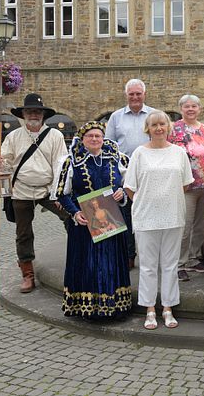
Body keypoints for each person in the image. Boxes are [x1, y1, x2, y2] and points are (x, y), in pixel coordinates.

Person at [0, 93, 69, 293]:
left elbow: (61, 166)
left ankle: (80, 258)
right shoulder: (13, 136)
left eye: (37, 111)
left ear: (43, 115)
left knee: (71, 217)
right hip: (21, 190)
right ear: (23, 114)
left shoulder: (55, 136)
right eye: (29, 111)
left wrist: (58, 194)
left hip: (48, 189)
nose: (33, 114)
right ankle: (27, 274)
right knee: (23, 233)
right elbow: (4, 165)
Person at [54, 121, 132, 320]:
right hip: (85, 223)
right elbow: (62, 193)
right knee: (87, 263)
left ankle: (115, 306)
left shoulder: (117, 158)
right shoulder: (71, 161)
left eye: (98, 136)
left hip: (112, 221)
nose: (95, 139)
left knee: (111, 262)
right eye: (91, 136)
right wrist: (74, 212)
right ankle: (87, 308)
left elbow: (130, 185)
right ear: (83, 139)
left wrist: (121, 194)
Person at [124, 110, 194, 330]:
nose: (158, 128)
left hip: (172, 215)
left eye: (162, 124)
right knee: (147, 266)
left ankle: (168, 307)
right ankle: (149, 308)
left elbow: (185, 184)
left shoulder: (179, 153)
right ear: (148, 128)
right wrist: (147, 202)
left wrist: (166, 199)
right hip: (146, 217)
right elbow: (129, 187)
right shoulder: (139, 154)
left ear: (168, 127)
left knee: (170, 264)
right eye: (154, 125)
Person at [169, 94, 204, 282]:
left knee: (199, 225)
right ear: (181, 109)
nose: (191, 109)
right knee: (185, 226)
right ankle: (179, 263)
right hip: (187, 185)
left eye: (194, 106)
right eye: (187, 106)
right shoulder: (175, 129)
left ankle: (193, 258)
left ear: (199, 109)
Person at [105, 78, 153, 269]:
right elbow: (108, 146)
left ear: (144, 95)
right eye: (131, 94)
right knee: (125, 215)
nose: (135, 97)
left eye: (138, 94)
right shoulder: (116, 117)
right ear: (126, 95)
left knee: (148, 214)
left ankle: (149, 255)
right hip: (124, 173)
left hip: (148, 172)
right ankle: (128, 255)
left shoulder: (153, 115)